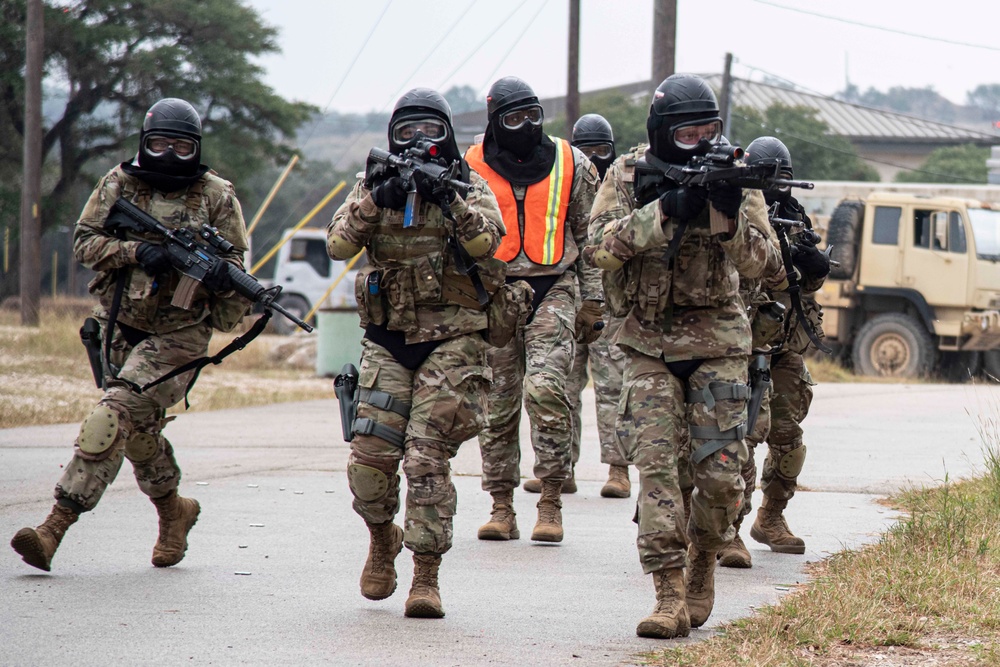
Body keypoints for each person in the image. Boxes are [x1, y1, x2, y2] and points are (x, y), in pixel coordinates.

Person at [10, 98, 251, 572]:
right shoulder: (119, 183)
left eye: (181, 146)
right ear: (145, 142)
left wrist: (221, 277)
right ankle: (173, 513)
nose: (169, 153)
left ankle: (53, 529)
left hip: (180, 334)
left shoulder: (217, 195)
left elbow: (237, 265)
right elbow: (83, 241)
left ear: (196, 148)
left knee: (112, 416)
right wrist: (136, 253)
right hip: (120, 325)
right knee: (139, 431)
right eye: (160, 143)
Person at [586, 74, 783, 637]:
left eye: (710, 130)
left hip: (718, 341)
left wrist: (725, 215)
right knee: (657, 472)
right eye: (688, 132)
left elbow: (763, 265)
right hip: (646, 342)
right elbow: (598, 248)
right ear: (664, 132)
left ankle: (702, 565)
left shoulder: (736, 179)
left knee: (721, 477)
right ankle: (668, 592)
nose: (701, 140)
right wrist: (665, 210)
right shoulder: (627, 174)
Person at [327, 88, 505, 618]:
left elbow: (488, 246)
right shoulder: (371, 186)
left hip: (453, 338)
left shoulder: (470, 186)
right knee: (369, 462)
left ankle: (426, 575)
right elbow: (338, 246)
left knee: (426, 457)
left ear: (447, 135)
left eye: (430, 130)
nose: (418, 142)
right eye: (406, 132)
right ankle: (383, 537)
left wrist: (449, 198)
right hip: (388, 339)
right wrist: (372, 201)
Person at [465, 77, 601, 543]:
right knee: (497, 405)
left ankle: (550, 502)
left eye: (534, 115)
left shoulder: (573, 162)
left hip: (554, 288)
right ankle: (501, 505)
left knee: (546, 391)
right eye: (514, 118)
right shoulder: (470, 164)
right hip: (495, 296)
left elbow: (590, 237)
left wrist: (593, 300)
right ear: (494, 121)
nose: (526, 126)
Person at [717, 136, 830, 569]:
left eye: (783, 179)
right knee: (737, 441)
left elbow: (805, 284)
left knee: (788, 439)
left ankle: (770, 518)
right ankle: (727, 530)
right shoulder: (734, 212)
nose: (777, 187)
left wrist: (813, 268)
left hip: (781, 346)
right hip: (738, 345)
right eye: (769, 179)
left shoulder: (794, 218)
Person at [522, 113, 631, 498]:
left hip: (611, 304)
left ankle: (619, 469)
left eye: (603, 150)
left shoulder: (622, 186)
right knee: (561, 386)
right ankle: (560, 468)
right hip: (566, 299)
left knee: (613, 387)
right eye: (587, 150)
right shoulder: (564, 183)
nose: (595, 158)